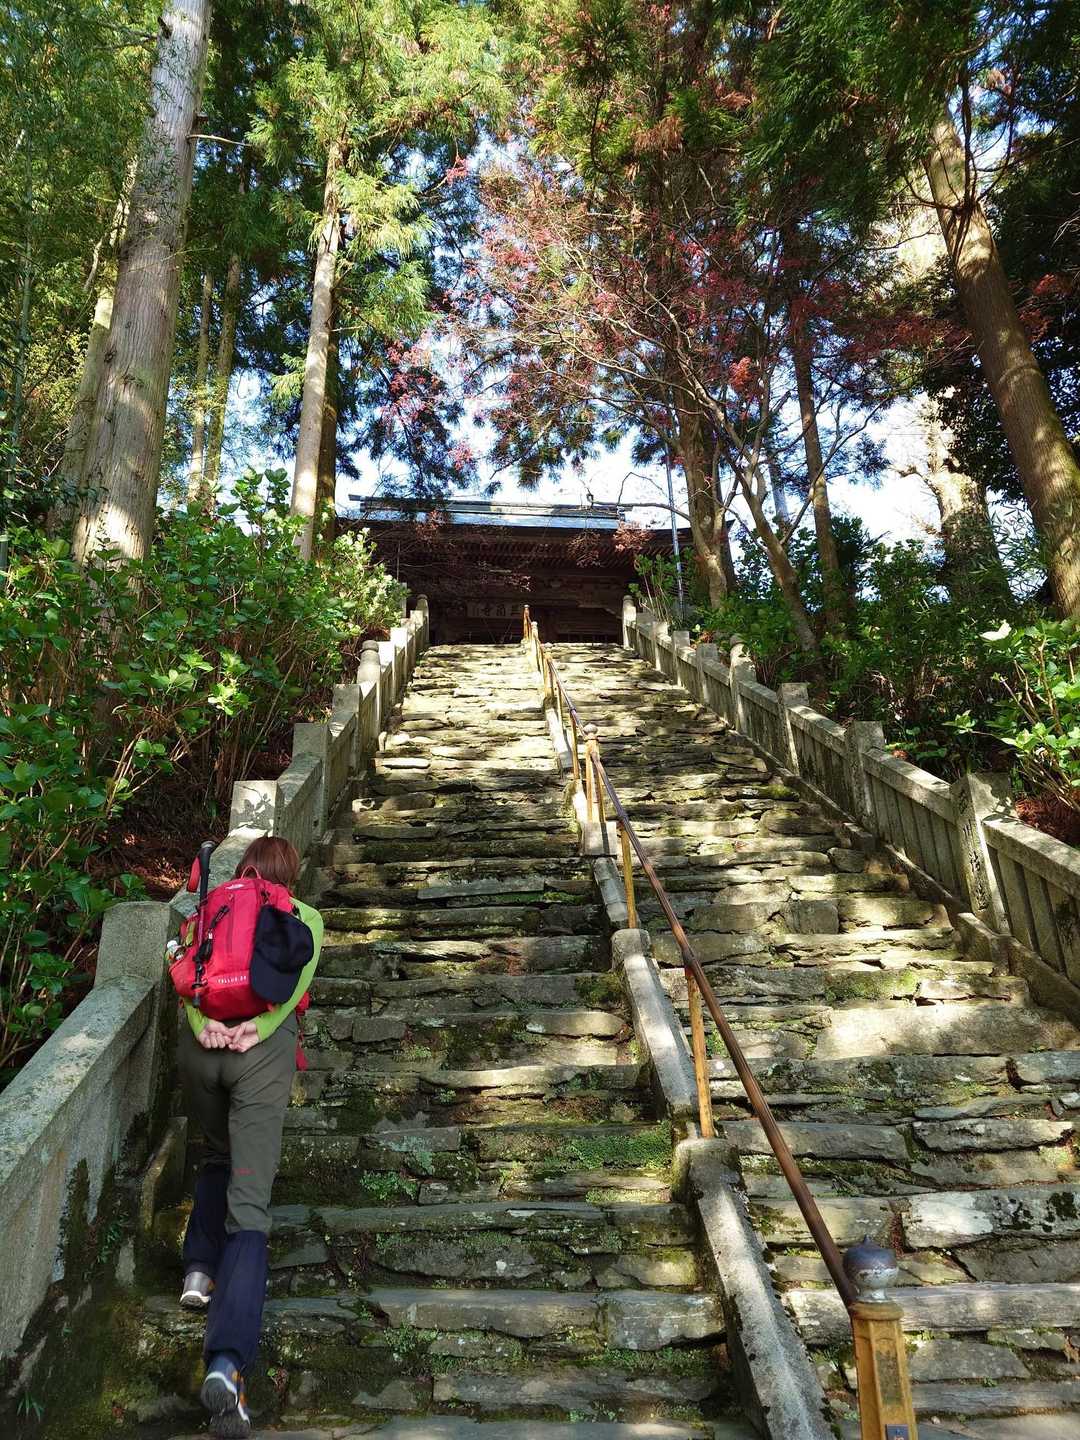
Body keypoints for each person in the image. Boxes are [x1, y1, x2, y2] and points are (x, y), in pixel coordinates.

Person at [176, 835, 323, 1439]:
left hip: (200, 1053)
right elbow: (291, 991)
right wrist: (254, 1031)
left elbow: (183, 977)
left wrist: (204, 1025)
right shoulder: (303, 915)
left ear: (242, 869)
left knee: (216, 1151)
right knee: (251, 1207)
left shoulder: (208, 909)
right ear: (290, 872)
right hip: (256, 1055)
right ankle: (228, 1364)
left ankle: (197, 1269)